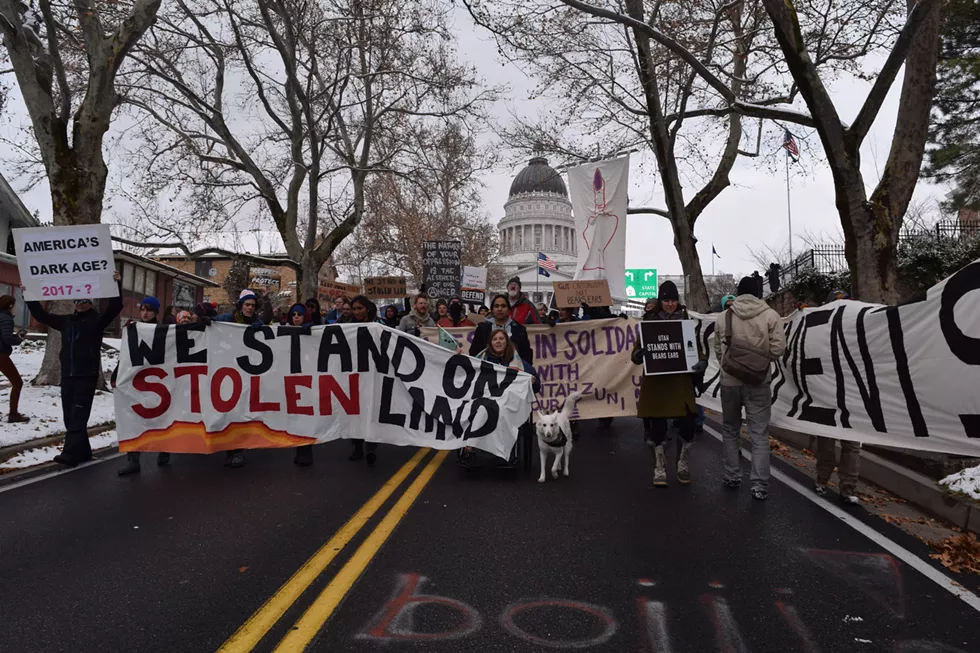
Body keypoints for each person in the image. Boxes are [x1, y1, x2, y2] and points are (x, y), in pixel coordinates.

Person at [24, 272, 123, 467]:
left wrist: (116, 285)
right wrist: (29, 294)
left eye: (85, 300)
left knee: (78, 415)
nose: (81, 303)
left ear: (91, 302)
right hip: (68, 374)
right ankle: (84, 452)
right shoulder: (66, 321)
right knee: (69, 415)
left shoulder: (98, 320)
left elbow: (116, 307)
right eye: (77, 299)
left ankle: (69, 453)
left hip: (87, 374)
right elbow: (40, 315)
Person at [714, 276, 786, 501]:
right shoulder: (770, 315)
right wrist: (760, 361)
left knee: (730, 429)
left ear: (738, 292)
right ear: (758, 292)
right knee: (759, 434)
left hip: (730, 381)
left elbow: (718, 350)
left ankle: (732, 475)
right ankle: (759, 485)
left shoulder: (724, 317)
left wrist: (731, 366)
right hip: (758, 382)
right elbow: (778, 349)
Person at [630, 280, 706, 487]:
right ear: (660, 301)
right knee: (658, 429)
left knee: (689, 424)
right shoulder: (649, 320)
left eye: (673, 300)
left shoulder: (686, 320)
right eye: (666, 300)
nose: (670, 304)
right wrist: (639, 354)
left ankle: (682, 462)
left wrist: (701, 360)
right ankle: (660, 466)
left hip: (681, 382)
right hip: (657, 383)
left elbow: (696, 347)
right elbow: (635, 355)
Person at [117, 297, 175, 475]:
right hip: (139, 382)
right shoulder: (133, 330)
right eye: (142, 309)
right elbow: (126, 356)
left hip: (161, 381)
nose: (145, 313)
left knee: (163, 417)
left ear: (156, 312)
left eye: (149, 309)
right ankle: (133, 460)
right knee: (134, 419)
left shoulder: (166, 331)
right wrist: (117, 373)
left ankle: (164, 450)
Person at [815, 288, 860, 505]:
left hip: (852, 396)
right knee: (828, 440)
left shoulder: (860, 329)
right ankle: (823, 479)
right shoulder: (820, 330)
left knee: (850, 445)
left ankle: (846, 487)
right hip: (829, 394)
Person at [216, 290, 265, 468]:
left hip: (245, 374)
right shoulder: (226, 319)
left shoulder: (256, 323)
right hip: (225, 372)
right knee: (227, 412)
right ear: (240, 305)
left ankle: (237, 451)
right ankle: (230, 449)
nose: (250, 308)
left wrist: (260, 329)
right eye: (247, 305)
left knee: (240, 412)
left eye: (253, 306)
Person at [348, 295, 381, 466]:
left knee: (372, 410)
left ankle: (371, 447)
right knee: (355, 411)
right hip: (354, 374)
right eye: (354, 309)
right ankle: (357, 446)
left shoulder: (379, 325)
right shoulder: (347, 327)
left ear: (367, 308)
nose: (357, 312)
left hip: (374, 373)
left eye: (359, 308)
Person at [469, 294, 533, 365]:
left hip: (513, 371)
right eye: (496, 306)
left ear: (509, 309)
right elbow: (474, 352)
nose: (500, 309)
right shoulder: (482, 328)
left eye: (503, 306)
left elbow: (526, 354)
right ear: (492, 310)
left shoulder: (519, 329)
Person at [0, 295, 29, 423]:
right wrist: (19, 339)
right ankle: (13, 414)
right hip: (1, 354)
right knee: (17, 382)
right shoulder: (6, 318)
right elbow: (6, 338)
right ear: (10, 306)